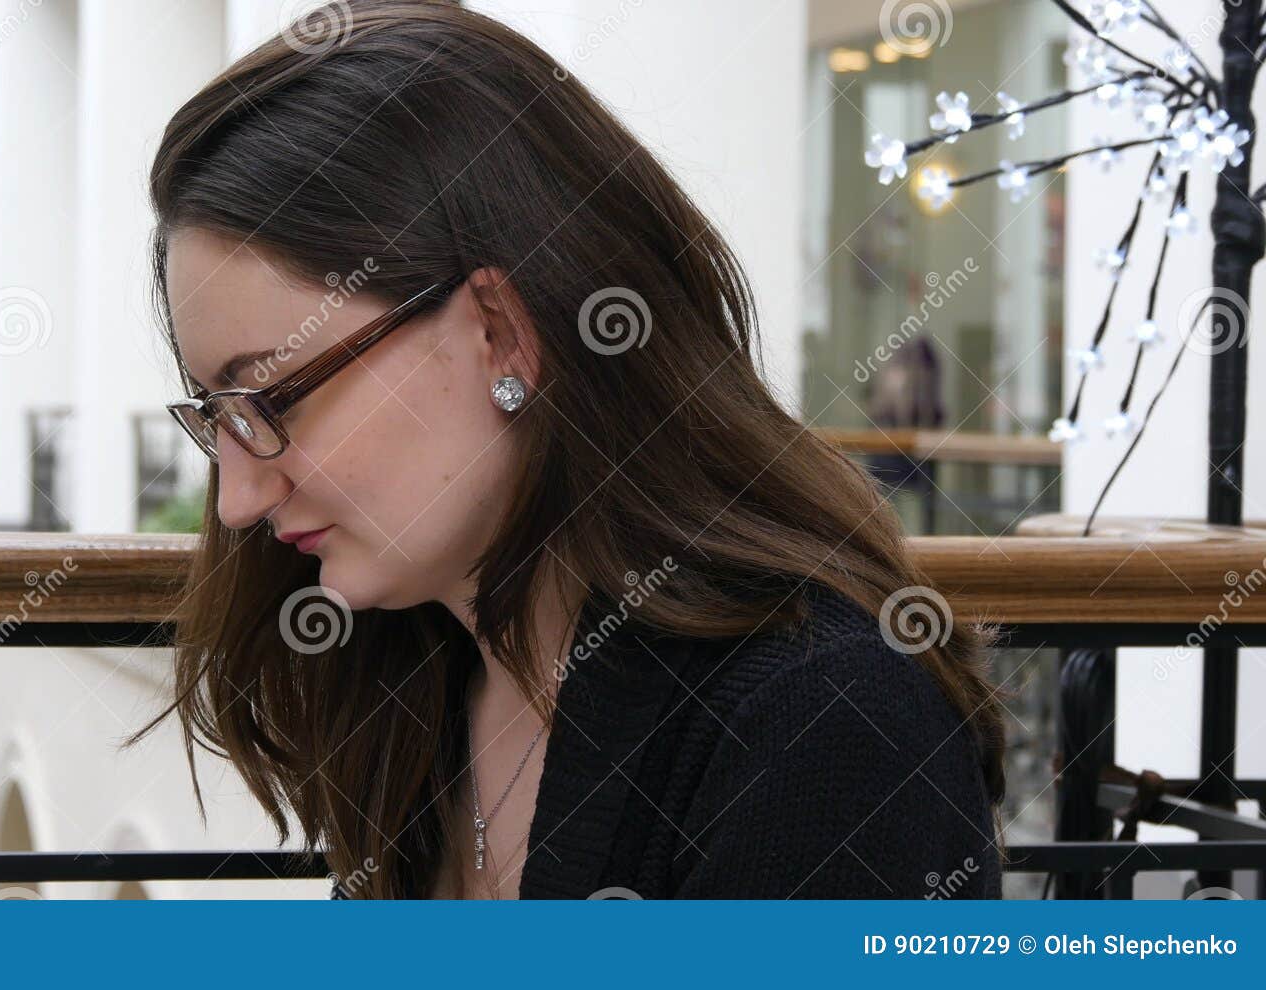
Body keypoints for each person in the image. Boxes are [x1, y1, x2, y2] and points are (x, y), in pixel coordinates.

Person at [129, 0, 1008, 899]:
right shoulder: (423, 683)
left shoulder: (822, 728)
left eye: (275, 397)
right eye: (220, 416)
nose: (237, 497)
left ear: (503, 333)